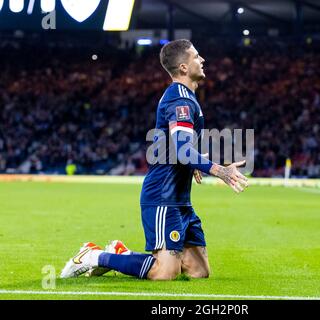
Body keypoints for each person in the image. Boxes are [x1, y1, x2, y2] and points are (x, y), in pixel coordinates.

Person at [60, 39, 249, 280]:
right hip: (163, 197)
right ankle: (94, 256)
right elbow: (181, 149)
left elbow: (177, 147)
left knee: (199, 271)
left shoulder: (186, 97)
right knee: (165, 272)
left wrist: (195, 161)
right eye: (196, 57)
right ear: (183, 67)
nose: (202, 60)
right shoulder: (180, 100)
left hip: (180, 200)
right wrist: (219, 170)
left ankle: (122, 253)